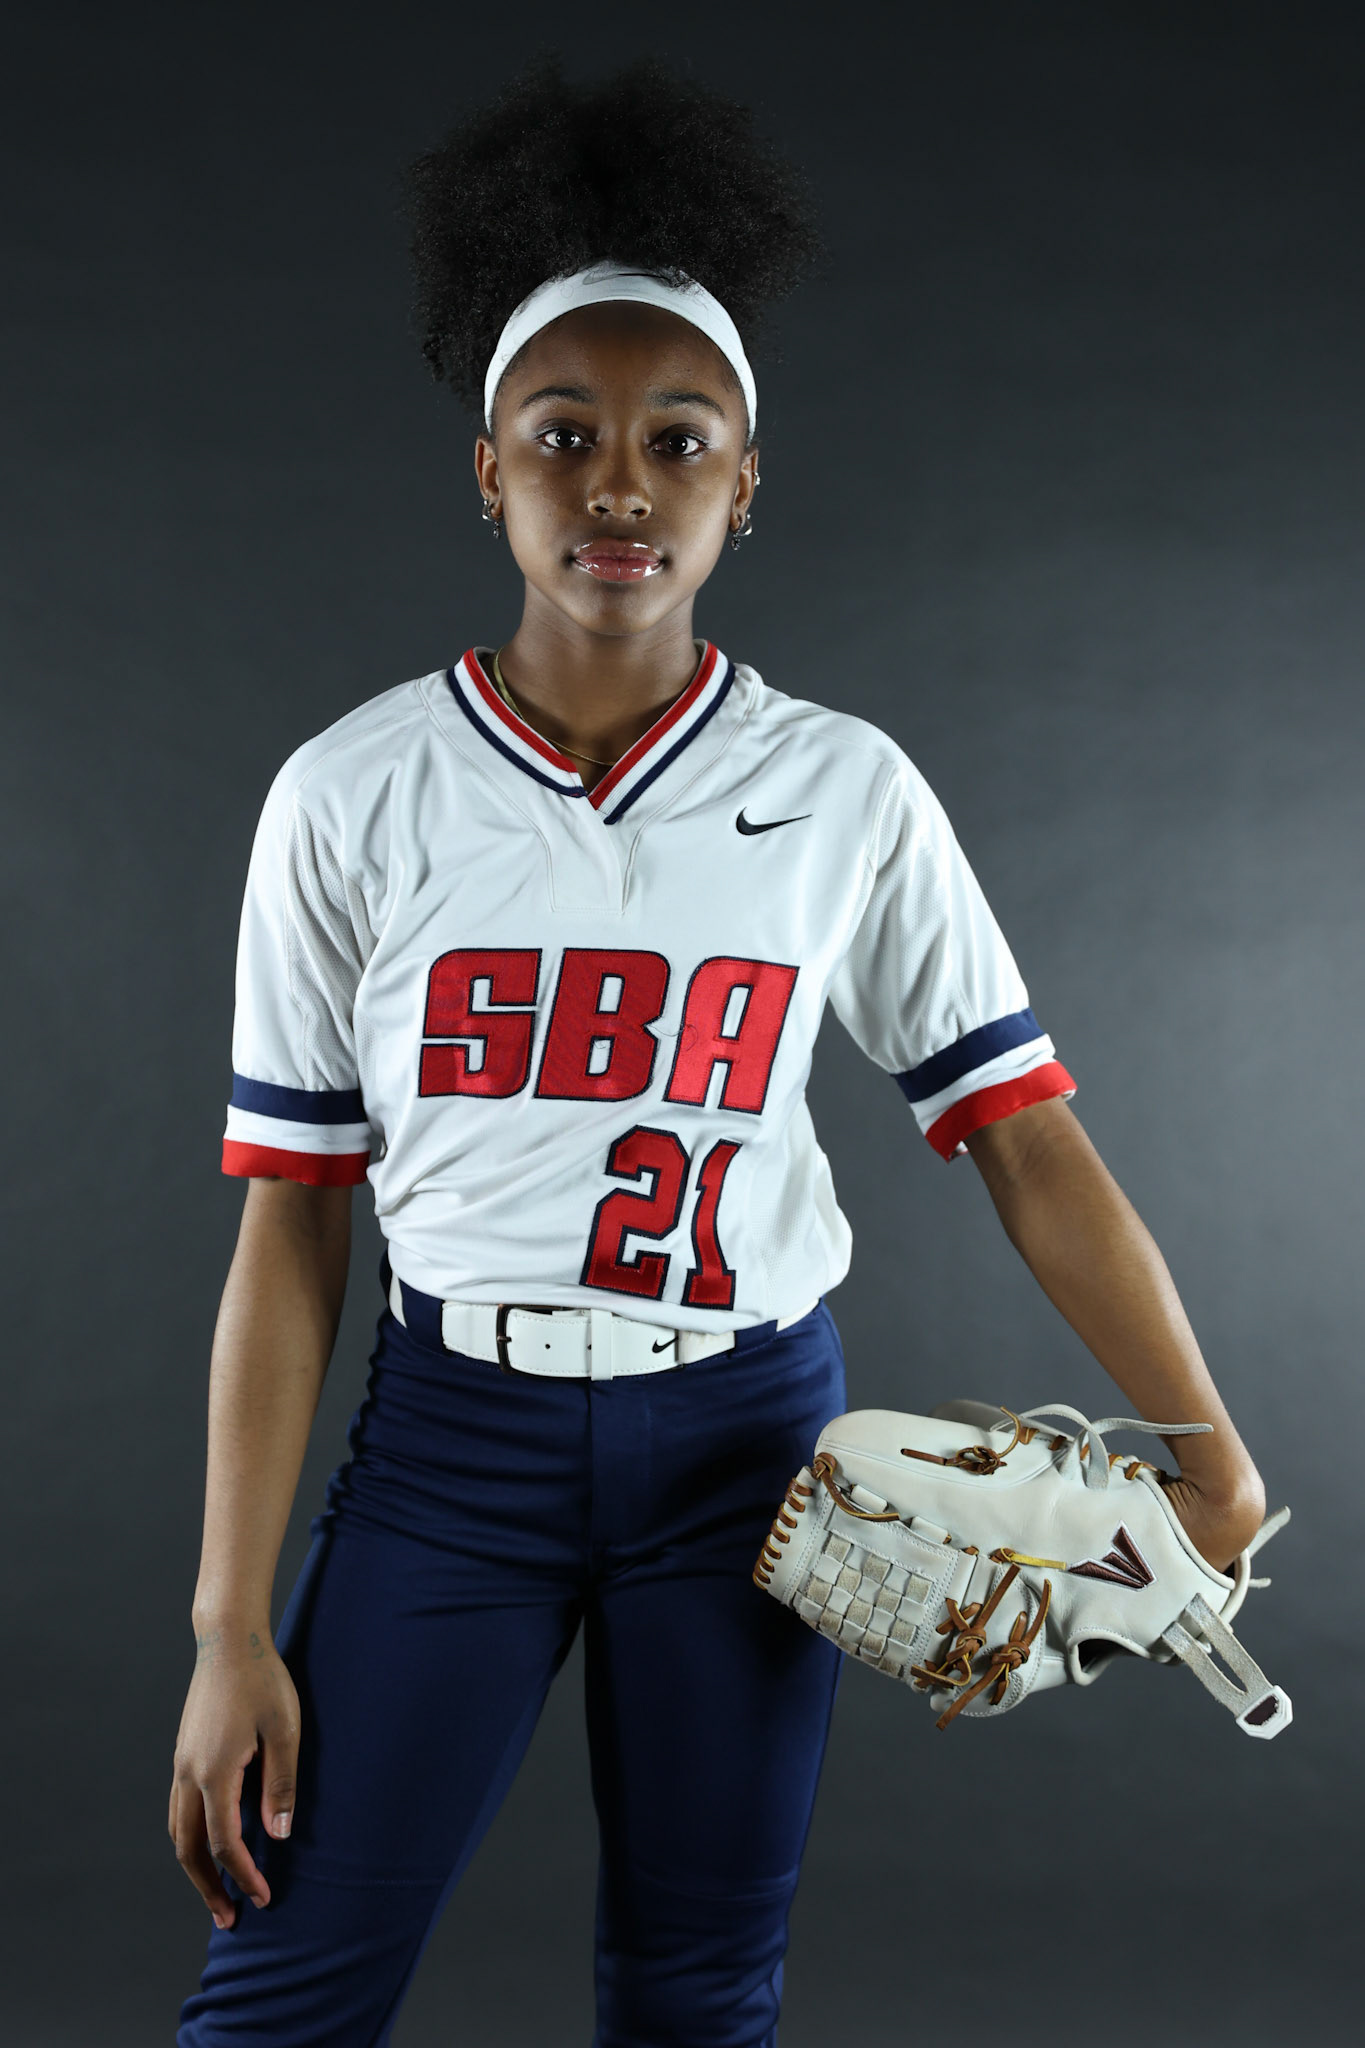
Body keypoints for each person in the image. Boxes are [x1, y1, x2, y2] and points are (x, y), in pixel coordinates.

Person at [170, 57, 1267, 2048]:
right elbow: (292, 1223)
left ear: (742, 486)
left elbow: (1025, 1138)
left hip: (751, 1449)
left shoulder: (842, 786)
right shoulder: (350, 793)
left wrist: (1201, 1439)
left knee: (698, 1993)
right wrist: (228, 1623)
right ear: (485, 470)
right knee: (283, 1990)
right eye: (561, 434)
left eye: (677, 440)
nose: (618, 483)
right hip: (451, 1450)